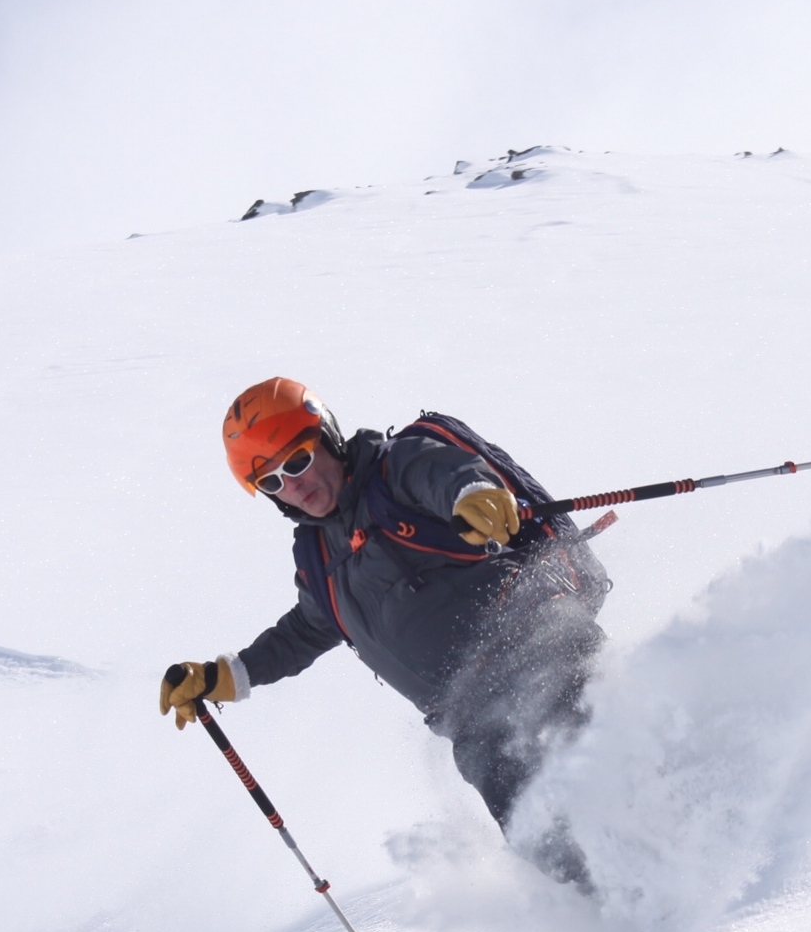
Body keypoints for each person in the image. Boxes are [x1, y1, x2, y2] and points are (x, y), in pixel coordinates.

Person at [160, 378, 607, 885]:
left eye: (299, 461)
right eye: (272, 482)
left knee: (601, 762)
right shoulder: (318, 557)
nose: (294, 484)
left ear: (327, 437)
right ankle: (621, 916)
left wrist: (474, 494)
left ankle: (689, 842)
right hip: (472, 716)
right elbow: (306, 629)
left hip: (538, 646)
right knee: (538, 832)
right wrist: (228, 675)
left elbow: (446, 473)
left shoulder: (395, 470)